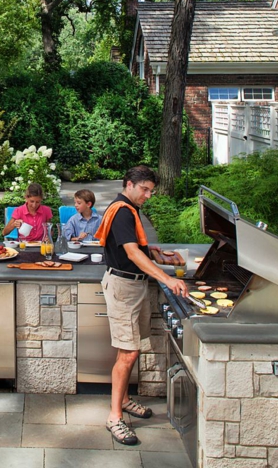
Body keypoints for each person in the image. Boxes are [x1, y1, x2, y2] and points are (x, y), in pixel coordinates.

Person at [93, 165, 188, 446]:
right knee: (129, 352)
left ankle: (123, 400)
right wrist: (166, 278)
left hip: (133, 286)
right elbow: (131, 252)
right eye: (144, 189)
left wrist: (155, 253)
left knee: (130, 349)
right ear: (129, 184)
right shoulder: (123, 211)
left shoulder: (127, 208)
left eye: (151, 191)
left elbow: (138, 247)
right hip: (123, 287)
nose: (148, 195)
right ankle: (114, 417)